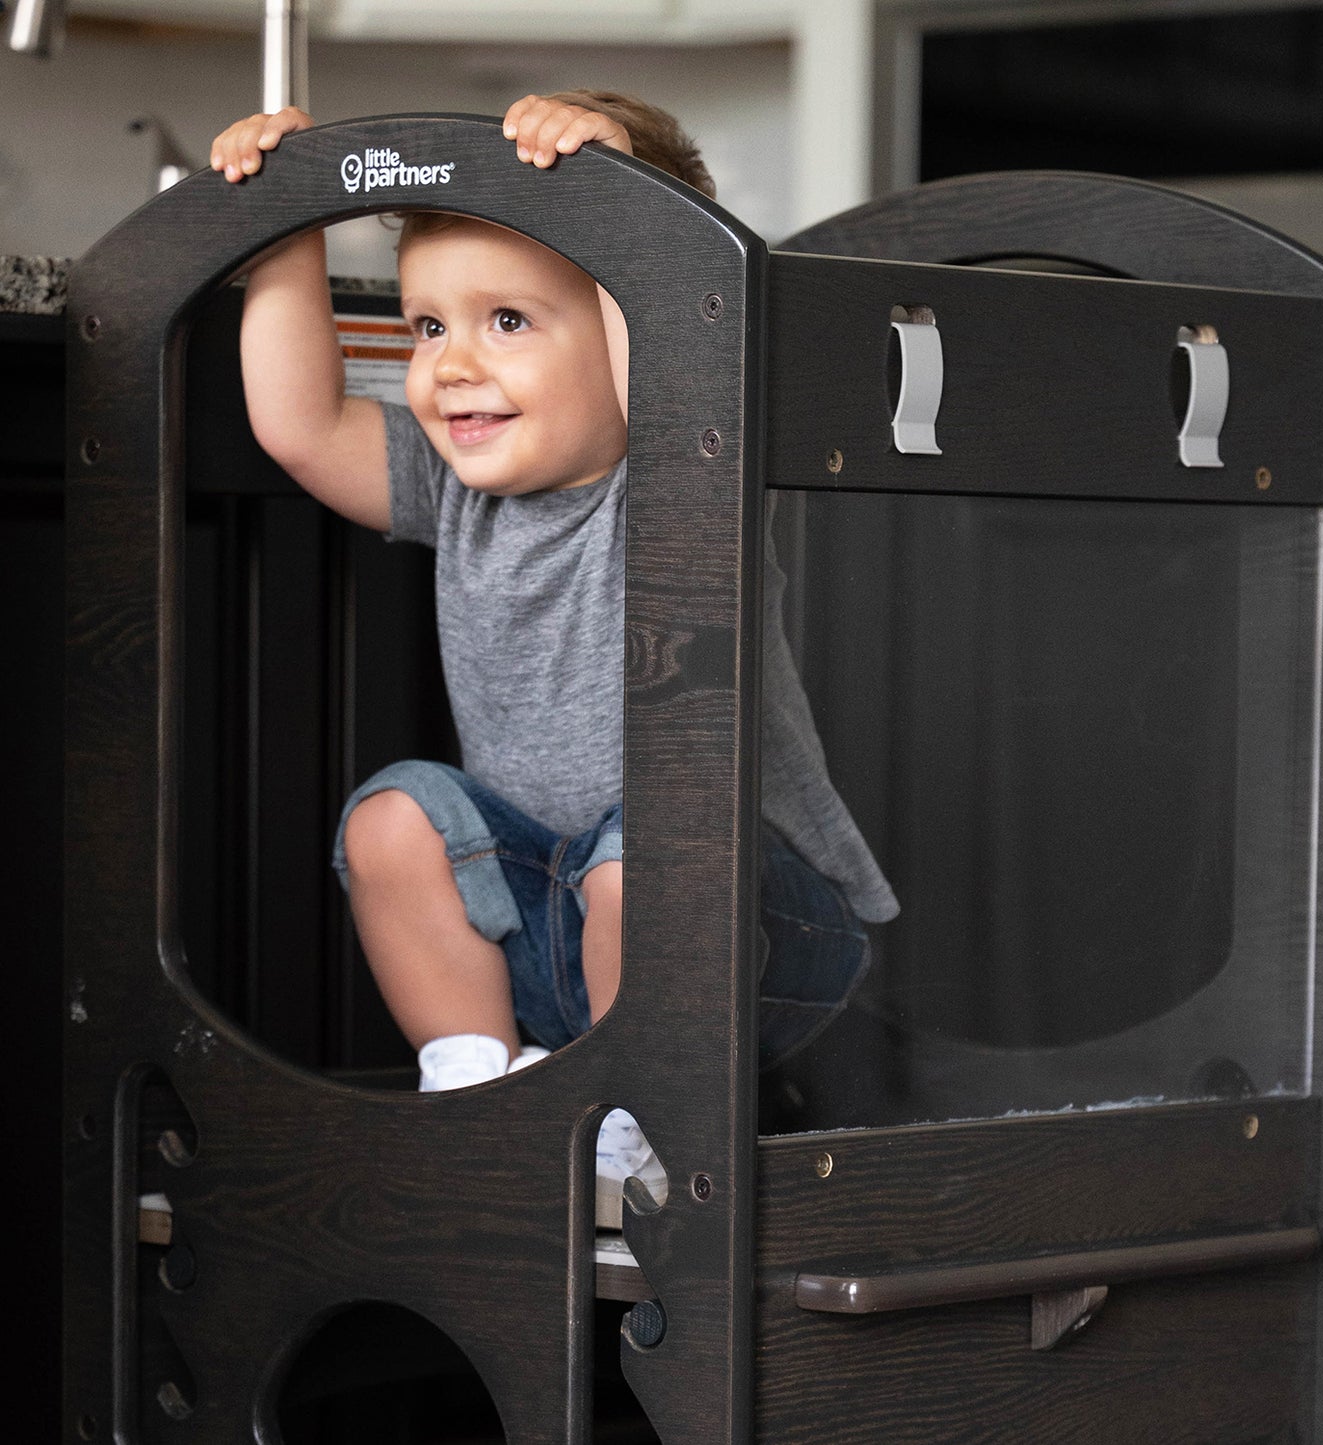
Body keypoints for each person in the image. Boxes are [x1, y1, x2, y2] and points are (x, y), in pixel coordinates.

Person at [210, 91, 897, 1229]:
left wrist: (629, 211)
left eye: (509, 322)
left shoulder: (688, 469)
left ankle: (636, 1126)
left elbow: (676, 353)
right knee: (395, 815)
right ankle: (480, 1093)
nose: (451, 366)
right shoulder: (454, 492)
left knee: (642, 853)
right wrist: (287, 230)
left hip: (760, 934)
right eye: (429, 327)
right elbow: (298, 425)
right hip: (553, 933)